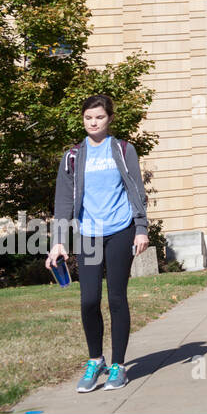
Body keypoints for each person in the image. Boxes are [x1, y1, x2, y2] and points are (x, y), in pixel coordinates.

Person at [46, 93, 151, 394]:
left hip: (121, 230)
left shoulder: (122, 149)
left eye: (99, 117)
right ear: (83, 119)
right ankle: (96, 360)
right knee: (89, 300)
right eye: (88, 118)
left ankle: (118, 365)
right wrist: (58, 242)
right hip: (88, 234)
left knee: (116, 298)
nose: (93, 122)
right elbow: (64, 201)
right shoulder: (73, 156)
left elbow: (135, 189)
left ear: (109, 119)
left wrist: (141, 228)